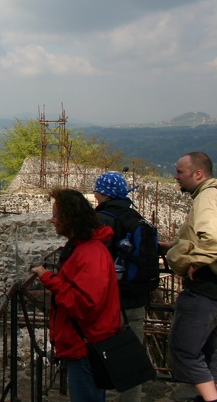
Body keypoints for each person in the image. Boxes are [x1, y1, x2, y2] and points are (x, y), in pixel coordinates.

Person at [32, 187, 122, 402]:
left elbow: (85, 304)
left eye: (56, 215)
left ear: (69, 218)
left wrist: (48, 279)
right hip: (86, 341)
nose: (52, 220)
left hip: (86, 344)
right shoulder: (87, 248)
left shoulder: (89, 253)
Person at [161, 152, 217, 402]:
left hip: (204, 288)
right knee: (212, 349)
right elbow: (198, 234)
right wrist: (175, 244)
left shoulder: (206, 197)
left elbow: (213, 238)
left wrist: (197, 260)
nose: (176, 177)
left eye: (180, 172)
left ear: (198, 174)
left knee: (183, 349)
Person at [93, 172, 148, 402]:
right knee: (131, 354)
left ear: (103, 194)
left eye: (96, 190)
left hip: (108, 300)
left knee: (97, 352)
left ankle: (97, 396)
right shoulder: (135, 217)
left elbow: (94, 259)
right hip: (135, 297)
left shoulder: (102, 220)